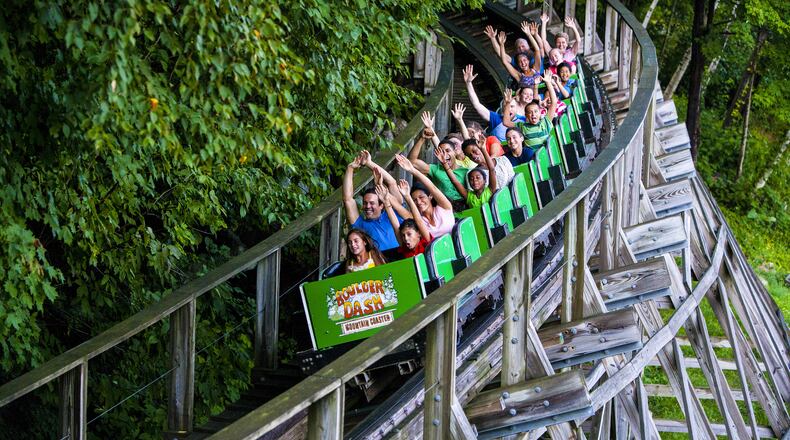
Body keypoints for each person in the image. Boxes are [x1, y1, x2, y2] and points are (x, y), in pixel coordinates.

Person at [342, 150, 404, 251]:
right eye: (365, 203)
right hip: (380, 263)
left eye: (372, 203)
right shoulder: (361, 225)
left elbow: (392, 182)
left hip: (401, 258)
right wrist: (350, 169)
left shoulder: (394, 213)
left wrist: (369, 163)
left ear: (381, 205)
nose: (367, 206)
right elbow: (348, 199)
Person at [407, 113, 470, 210]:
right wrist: (422, 138)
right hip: (445, 209)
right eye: (441, 152)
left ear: (454, 152)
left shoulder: (466, 171)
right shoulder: (435, 169)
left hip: (465, 207)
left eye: (448, 151)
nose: (444, 155)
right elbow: (412, 162)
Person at [394, 154, 456, 238]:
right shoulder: (420, 221)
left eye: (421, 197)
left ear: (430, 196)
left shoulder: (444, 207)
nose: (419, 202)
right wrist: (407, 196)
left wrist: (413, 170)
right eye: (415, 200)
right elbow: (399, 208)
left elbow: (433, 188)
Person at [464, 64, 526, 142]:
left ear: (517, 108)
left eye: (512, 106)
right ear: (502, 108)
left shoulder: (522, 121)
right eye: (506, 105)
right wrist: (468, 83)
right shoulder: (495, 118)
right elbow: (477, 105)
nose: (509, 109)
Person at [503, 73, 560, 150]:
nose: (533, 114)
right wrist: (507, 104)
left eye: (536, 111)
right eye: (530, 112)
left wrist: (548, 82)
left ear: (540, 113)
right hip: (534, 159)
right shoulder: (522, 126)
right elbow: (506, 122)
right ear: (526, 115)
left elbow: (554, 103)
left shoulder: (546, 122)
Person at [379, 182, 433, 258]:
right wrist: (386, 203)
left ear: (419, 233)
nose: (406, 238)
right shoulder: (404, 247)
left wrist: (407, 196)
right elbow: (395, 226)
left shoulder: (426, 242)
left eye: (409, 234)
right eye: (403, 235)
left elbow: (419, 221)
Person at [498, 23, 542, 88]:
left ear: (528, 61)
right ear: (518, 64)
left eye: (524, 60)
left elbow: (537, 50)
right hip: (527, 97)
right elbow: (504, 61)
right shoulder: (519, 75)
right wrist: (502, 44)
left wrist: (529, 34)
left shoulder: (536, 69)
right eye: (520, 61)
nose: (523, 63)